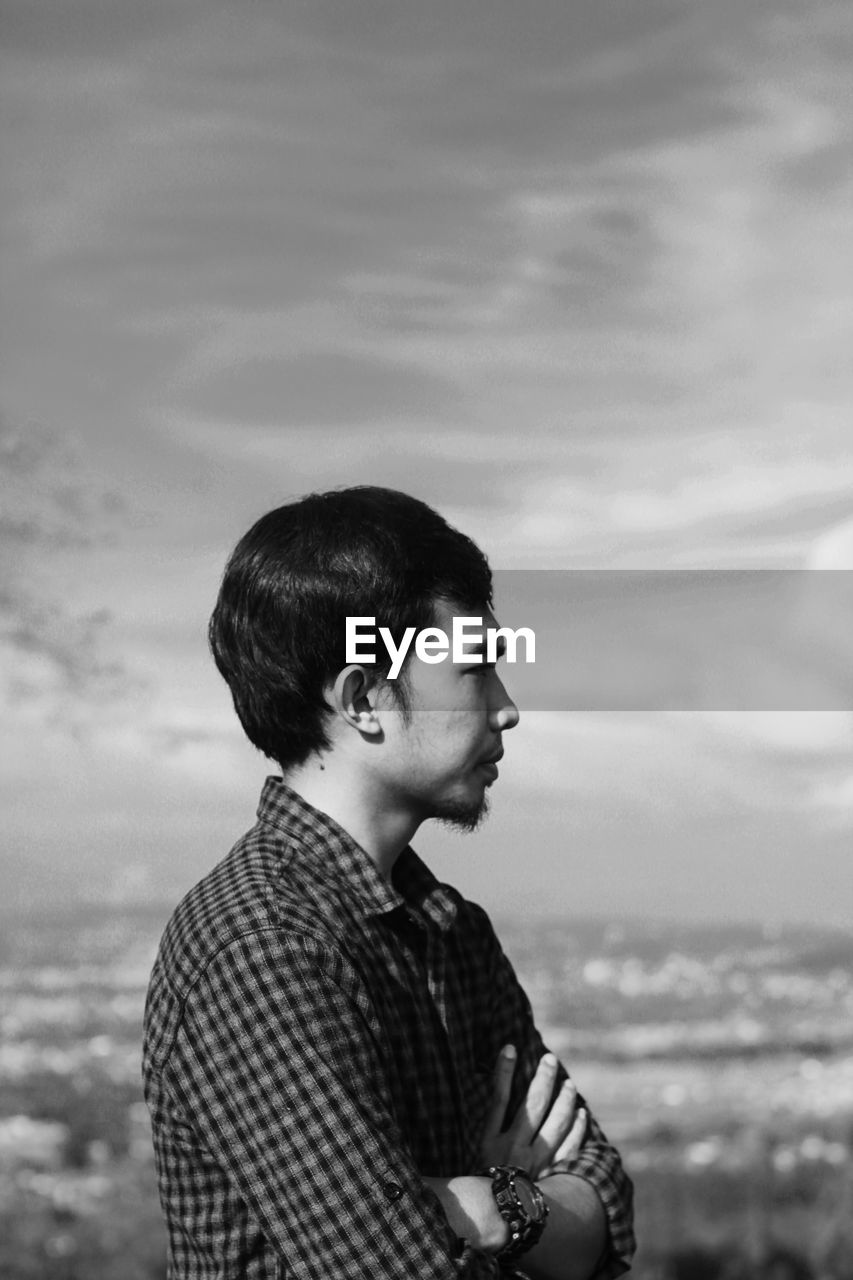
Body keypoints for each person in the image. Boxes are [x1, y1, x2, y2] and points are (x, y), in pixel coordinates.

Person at [142, 486, 635, 1279]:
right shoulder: (263, 949)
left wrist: (495, 1206)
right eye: (474, 668)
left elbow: (604, 1213)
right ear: (365, 697)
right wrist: (529, 1211)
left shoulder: (449, 930)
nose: (506, 710)